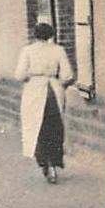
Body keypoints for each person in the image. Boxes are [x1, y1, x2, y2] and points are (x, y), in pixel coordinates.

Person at [15, 22, 75, 184]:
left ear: (35, 35)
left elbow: (19, 75)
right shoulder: (58, 50)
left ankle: (45, 163)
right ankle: (54, 164)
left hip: (34, 90)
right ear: (50, 35)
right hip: (54, 91)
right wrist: (58, 82)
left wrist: (31, 74)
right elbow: (68, 75)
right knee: (54, 127)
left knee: (37, 127)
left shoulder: (27, 50)